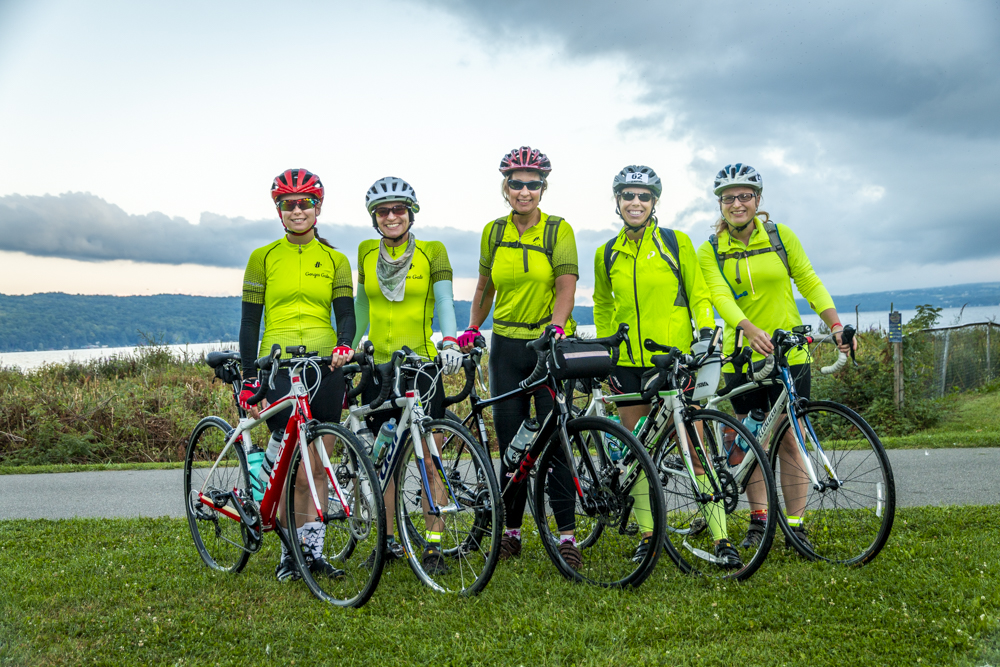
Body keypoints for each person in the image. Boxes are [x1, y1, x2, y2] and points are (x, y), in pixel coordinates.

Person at [696, 163, 856, 552]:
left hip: (790, 353)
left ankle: (796, 524)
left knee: (788, 438)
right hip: (742, 357)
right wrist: (748, 330)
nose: (738, 203)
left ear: (758, 200)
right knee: (749, 438)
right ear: (720, 203)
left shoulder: (780, 237)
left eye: (745, 195)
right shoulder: (710, 249)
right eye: (729, 197)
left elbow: (808, 279)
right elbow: (719, 295)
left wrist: (834, 325)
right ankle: (759, 518)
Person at [592, 165, 741, 568]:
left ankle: (721, 536)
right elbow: (604, 305)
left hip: (675, 363)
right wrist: (608, 347)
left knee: (695, 450)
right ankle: (646, 535)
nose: (635, 203)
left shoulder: (676, 244)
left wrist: (707, 332)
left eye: (643, 196)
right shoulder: (606, 253)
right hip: (628, 365)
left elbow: (700, 294)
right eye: (627, 196)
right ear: (618, 202)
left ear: (654, 202)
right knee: (636, 451)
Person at [457, 146, 582, 567]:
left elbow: (566, 283)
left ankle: (567, 537)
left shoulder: (557, 230)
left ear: (543, 188)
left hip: (545, 346)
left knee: (556, 442)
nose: (524, 191)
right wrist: (474, 327)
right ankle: (512, 531)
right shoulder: (493, 233)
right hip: (506, 349)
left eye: (532, 184)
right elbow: (483, 287)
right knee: (510, 446)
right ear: (505, 187)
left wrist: (558, 326)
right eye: (516, 183)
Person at [238, 168, 356, 581]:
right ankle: (290, 554)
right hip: (280, 366)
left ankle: (314, 552)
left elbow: (346, 315)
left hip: (327, 367)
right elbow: (250, 323)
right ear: (279, 210)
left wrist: (344, 344)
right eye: (288, 204)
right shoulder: (263, 258)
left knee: (317, 467)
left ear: (318, 207)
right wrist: (251, 377)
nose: (297, 210)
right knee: (291, 466)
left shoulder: (336, 260)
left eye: (305, 202)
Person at [352, 176, 463, 574]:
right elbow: (362, 307)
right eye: (383, 211)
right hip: (378, 367)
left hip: (420, 365)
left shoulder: (433, 251)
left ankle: (433, 544)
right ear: (374, 218)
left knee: (428, 457)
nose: (392, 216)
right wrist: (350, 345)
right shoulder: (366, 252)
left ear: (411, 214)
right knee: (384, 462)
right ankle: (390, 542)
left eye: (399, 209)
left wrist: (449, 341)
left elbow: (447, 300)